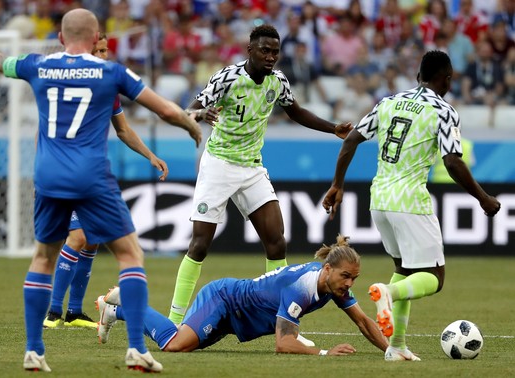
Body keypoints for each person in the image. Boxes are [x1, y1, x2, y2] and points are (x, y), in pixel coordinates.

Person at [0, 9, 202, 373]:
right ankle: (137, 348)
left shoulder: (38, 65)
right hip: (91, 175)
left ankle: (34, 350)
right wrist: (190, 125)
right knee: (130, 255)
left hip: (48, 175)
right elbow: (165, 110)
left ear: (60, 37)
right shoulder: (111, 72)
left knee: (43, 256)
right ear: (96, 40)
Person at [170, 25, 352, 348]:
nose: (270, 57)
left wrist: (332, 128)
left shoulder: (277, 81)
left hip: (252, 167)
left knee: (277, 242)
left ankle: (283, 320)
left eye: (275, 52)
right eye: (265, 51)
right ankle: (173, 321)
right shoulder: (227, 78)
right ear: (249, 50)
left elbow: (295, 111)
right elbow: (190, 109)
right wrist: (200, 112)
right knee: (199, 245)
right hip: (219, 165)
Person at [321, 50, 501, 361]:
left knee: (404, 271)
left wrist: (338, 184)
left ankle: (397, 347)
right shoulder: (443, 110)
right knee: (433, 278)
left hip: (379, 199)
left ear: (418, 76)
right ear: (446, 79)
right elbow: (452, 161)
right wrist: (483, 197)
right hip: (410, 200)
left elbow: (351, 139)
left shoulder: (388, 101)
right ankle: (388, 294)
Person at [43, 33, 169, 330]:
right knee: (77, 237)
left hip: (94, 173)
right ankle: (52, 312)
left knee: (92, 239)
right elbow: (44, 126)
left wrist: (150, 155)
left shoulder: (107, 88)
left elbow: (123, 130)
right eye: (99, 50)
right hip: (66, 171)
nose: (104, 56)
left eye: (106, 51)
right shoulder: (66, 82)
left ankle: (73, 311)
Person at [95, 235, 390, 357]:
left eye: (354, 278)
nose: (350, 283)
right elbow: (283, 343)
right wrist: (325, 353)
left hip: (235, 319)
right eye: (346, 276)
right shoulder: (301, 287)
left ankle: (114, 311)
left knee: (184, 344)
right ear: (327, 269)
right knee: (173, 346)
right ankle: (127, 304)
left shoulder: (333, 284)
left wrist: (393, 350)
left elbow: (364, 322)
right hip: (224, 299)